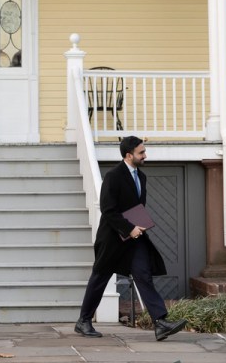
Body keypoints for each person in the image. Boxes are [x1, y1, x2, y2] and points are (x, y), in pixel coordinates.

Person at [75, 135, 187, 341]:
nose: (145, 155)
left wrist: (139, 226)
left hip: (135, 238)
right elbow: (108, 210)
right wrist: (128, 229)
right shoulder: (113, 176)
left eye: (144, 151)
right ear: (129, 155)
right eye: (141, 152)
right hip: (112, 239)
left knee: (143, 275)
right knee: (99, 278)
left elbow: (136, 207)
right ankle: (84, 321)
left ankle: (160, 322)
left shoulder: (141, 177)